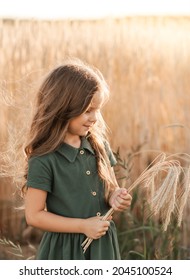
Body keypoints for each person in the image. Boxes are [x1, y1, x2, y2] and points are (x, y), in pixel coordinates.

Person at [24, 58, 132, 260]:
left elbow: (110, 189)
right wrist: (83, 226)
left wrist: (116, 197)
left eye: (97, 110)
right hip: (65, 251)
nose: (94, 117)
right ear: (63, 108)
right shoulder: (44, 158)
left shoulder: (98, 145)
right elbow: (34, 215)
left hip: (102, 245)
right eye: (88, 110)